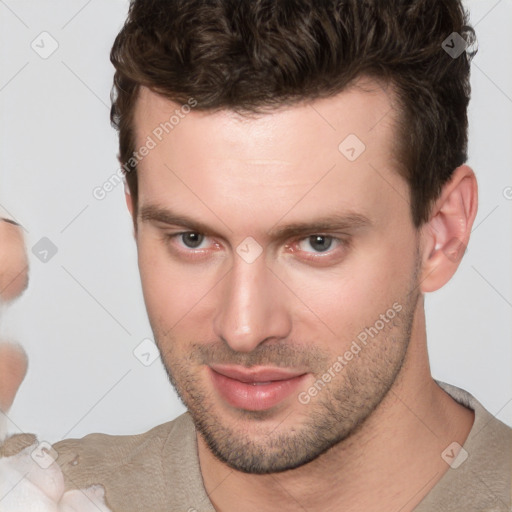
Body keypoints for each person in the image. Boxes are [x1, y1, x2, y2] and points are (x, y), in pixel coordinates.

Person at [1, 1, 511, 511]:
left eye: (317, 243)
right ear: (135, 219)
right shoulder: (30, 492)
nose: (243, 329)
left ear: (442, 234)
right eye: (193, 239)